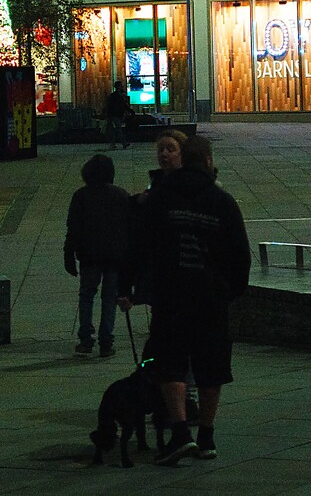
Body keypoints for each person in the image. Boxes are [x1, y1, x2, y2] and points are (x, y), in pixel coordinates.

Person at [122, 134, 249, 465]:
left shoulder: (161, 198)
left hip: (171, 295)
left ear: (182, 159)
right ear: (207, 161)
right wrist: (230, 290)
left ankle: (179, 432)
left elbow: (138, 246)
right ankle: (206, 436)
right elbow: (240, 256)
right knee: (211, 367)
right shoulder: (223, 202)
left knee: (171, 364)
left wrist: (127, 285)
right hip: (211, 299)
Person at [64, 152, 133, 359]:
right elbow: (129, 229)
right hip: (113, 257)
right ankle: (106, 340)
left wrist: (69, 254)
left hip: (89, 256)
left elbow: (73, 228)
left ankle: (85, 339)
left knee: (86, 295)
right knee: (109, 298)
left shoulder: (81, 195)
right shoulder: (121, 195)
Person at [104, 80, 132, 149]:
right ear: (119, 86)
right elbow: (111, 105)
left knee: (117, 130)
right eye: (121, 85)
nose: (122, 86)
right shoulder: (115, 96)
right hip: (115, 114)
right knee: (119, 129)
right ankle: (124, 143)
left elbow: (123, 105)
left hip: (118, 114)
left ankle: (112, 143)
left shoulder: (120, 95)